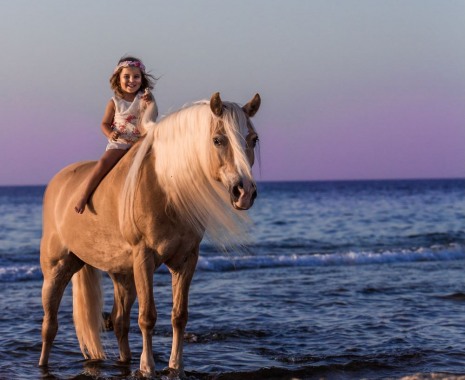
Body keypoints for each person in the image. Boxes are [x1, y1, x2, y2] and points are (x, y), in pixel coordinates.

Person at [74, 56, 158, 214]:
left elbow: (152, 114)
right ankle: (83, 195)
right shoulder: (114, 102)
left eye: (136, 76)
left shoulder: (144, 98)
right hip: (120, 142)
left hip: (140, 142)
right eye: (126, 76)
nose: (131, 80)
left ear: (142, 79)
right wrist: (110, 133)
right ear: (118, 79)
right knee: (103, 164)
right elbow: (104, 124)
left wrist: (150, 101)